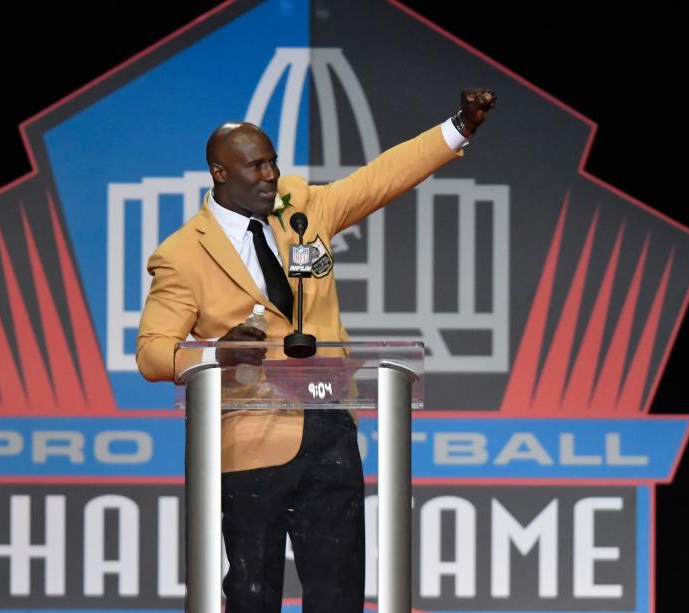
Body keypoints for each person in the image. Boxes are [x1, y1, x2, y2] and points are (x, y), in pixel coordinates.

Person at [137, 90, 496, 612]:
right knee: (251, 597)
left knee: (339, 596)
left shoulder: (299, 207)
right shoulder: (182, 254)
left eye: (273, 162)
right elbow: (152, 354)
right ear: (220, 173)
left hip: (330, 433)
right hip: (251, 443)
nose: (271, 175)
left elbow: (380, 178)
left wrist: (458, 127)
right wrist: (218, 353)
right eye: (256, 166)